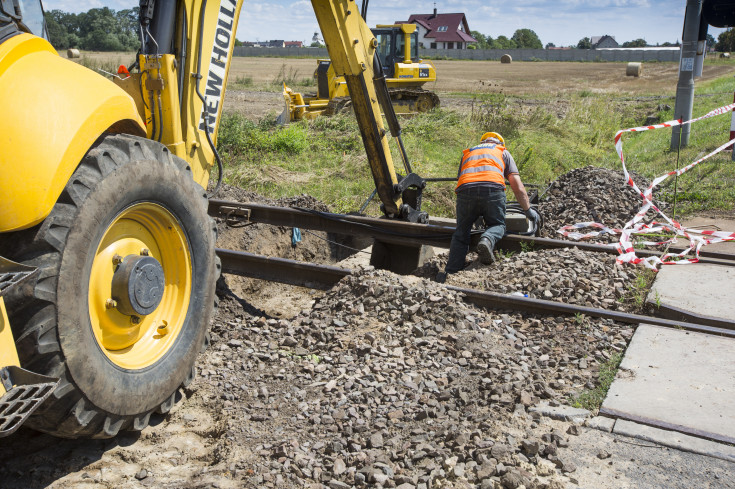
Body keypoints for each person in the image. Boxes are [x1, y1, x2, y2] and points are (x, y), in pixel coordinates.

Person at [437, 132, 539, 282]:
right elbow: (517, 185)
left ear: (483, 141)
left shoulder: (468, 152)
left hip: (465, 190)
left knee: (461, 233)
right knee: (498, 224)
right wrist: (527, 210)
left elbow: (463, 178)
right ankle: (487, 239)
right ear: (500, 143)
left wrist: (475, 208)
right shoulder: (502, 151)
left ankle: (451, 271)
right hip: (493, 190)